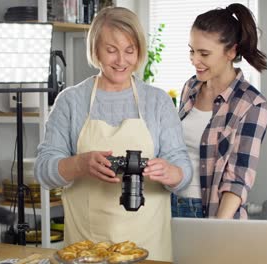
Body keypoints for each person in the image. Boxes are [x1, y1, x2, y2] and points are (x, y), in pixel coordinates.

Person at [34, 7, 191, 261]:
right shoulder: (71, 101)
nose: (121, 60)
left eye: (130, 50)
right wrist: (79, 164)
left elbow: (182, 167)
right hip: (85, 250)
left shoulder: (158, 102)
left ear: (139, 50)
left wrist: (172, 173)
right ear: (95, 50)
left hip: (149, 247)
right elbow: (43, 171)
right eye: (111, 50)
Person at [172, 3, 267, 220]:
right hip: (172, 203)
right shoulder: (191, 87)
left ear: (231, 51)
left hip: (210, 213)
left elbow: (238, 180)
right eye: (192, 50)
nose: (194, 60)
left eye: (204, 54)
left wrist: (216, 229)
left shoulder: (252, 104)